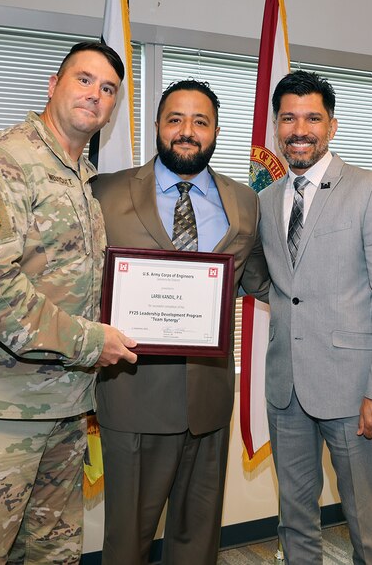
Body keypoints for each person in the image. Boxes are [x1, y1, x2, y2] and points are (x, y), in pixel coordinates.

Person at [0, 41, 139, 565]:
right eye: (84, 80)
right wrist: (92, 342)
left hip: (61, 412)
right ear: (53, 84)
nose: (95, 95)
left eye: (108, 89)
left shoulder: (81, 180)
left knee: (51, 557)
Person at [91, 79, 268, 565]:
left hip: (207, 402)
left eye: (200, 121)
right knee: (127, 544)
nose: (186, 131)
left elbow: (259, 281)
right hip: (132, 397)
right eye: (175, 119)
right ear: (156, 126)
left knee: (197, 543)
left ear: (214, 131)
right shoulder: (103, 193)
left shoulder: (245, 203)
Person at [258, 70, 372, 565]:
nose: (299, 129)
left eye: (312, 118)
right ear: (277, 126)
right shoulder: (265, 201)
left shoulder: (370, 191)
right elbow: (275, 283)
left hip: (355, 393)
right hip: (286, 389)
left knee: (366, 522)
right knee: (294, 519)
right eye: (288, 118)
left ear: (331, 125)